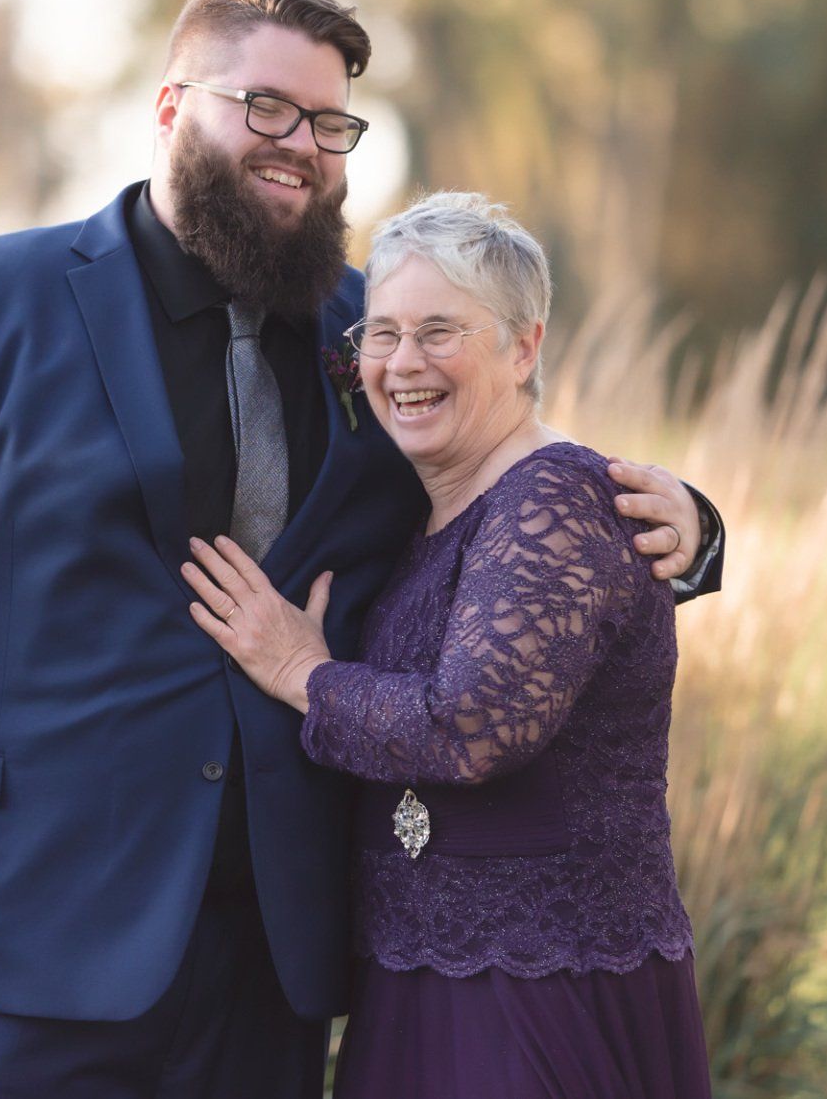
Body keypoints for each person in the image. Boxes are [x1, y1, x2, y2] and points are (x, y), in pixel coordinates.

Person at [0, 0, 725, 1097]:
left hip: (269, 967)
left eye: (331, 124)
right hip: (2, 942)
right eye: (266, 107)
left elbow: (505, 481)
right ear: (173, 108)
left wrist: (686, 529)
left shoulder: (371, 337)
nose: (302, 147)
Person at [185, 191, 712, 1098]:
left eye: (440, 331)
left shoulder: (554, 501)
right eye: (381, 336)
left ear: (524, 347)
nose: (402, 363)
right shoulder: (428, 503)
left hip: (541, 988)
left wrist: (300, 672)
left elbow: (469, 729)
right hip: (420, 976)